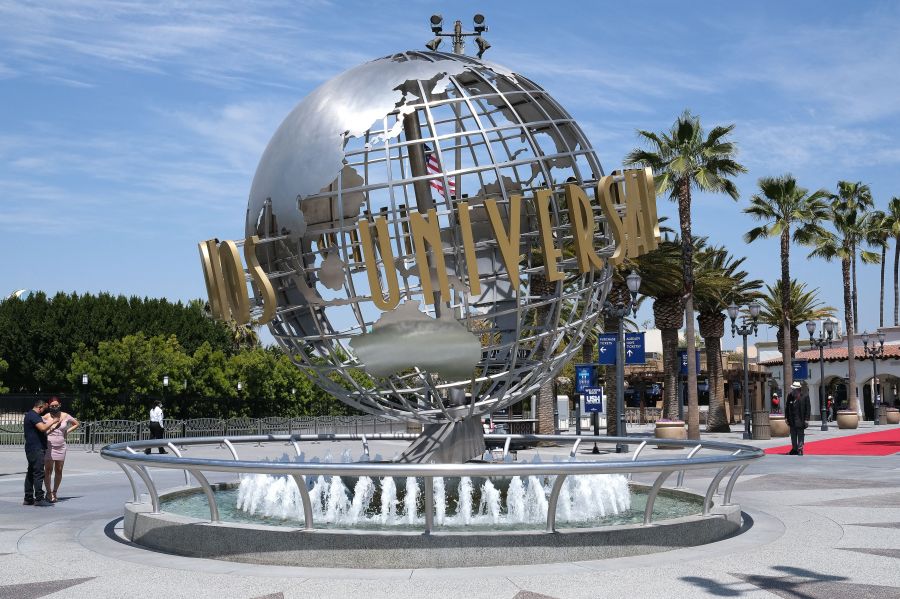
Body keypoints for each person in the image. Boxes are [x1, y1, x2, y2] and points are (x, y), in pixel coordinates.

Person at [23, 398, 61, 506]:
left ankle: (28, 497)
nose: (43, 411)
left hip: (32, 448)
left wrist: (54, 428)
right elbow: (43, 428)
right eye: (43, 409)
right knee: (38, 473)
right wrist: (53, 421)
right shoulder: (34, 416)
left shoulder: (30, 415)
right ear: (39, 407)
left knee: (31, 472)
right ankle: (39, 498)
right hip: (36, 448)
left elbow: (42, 432)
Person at [43, 397, 79, 503]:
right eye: (52, 406)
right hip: (49, 445)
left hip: (61, 446)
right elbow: (41, 428)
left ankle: (55, 491)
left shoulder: (65, 415)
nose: (54, 407)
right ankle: (48, 493)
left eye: (56, 405)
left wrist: (67, 431)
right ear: (49, 406)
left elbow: (76, 423)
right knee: (48, 470)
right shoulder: (45, 417)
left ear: (60, 405)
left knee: (59, 470)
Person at [785, 381, 811, 455]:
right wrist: (786, 418)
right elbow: (787, 407)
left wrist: (807, 419)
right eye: (792, 389)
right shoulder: (790, 396)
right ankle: (794, 449)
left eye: (794, 389)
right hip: (792, 419)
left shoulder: (805, 396)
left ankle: (800, 449)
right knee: (793, 435)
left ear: (798, 389)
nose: (793, 390)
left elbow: (808, 408)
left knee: (800, 434)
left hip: (801, 419)